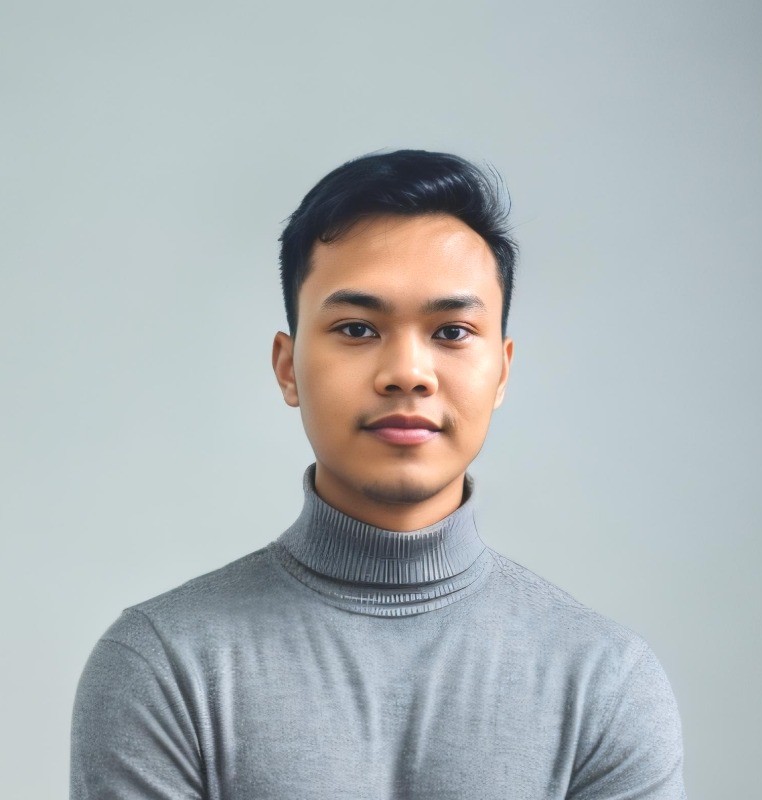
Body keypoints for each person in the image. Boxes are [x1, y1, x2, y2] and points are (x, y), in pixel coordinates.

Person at [71, 149, 686, 799]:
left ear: (502, 370)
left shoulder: (604, 683)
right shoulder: (163, 666)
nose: (408, 373)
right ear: (287, 367)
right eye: (358, 328)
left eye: (452, 332)